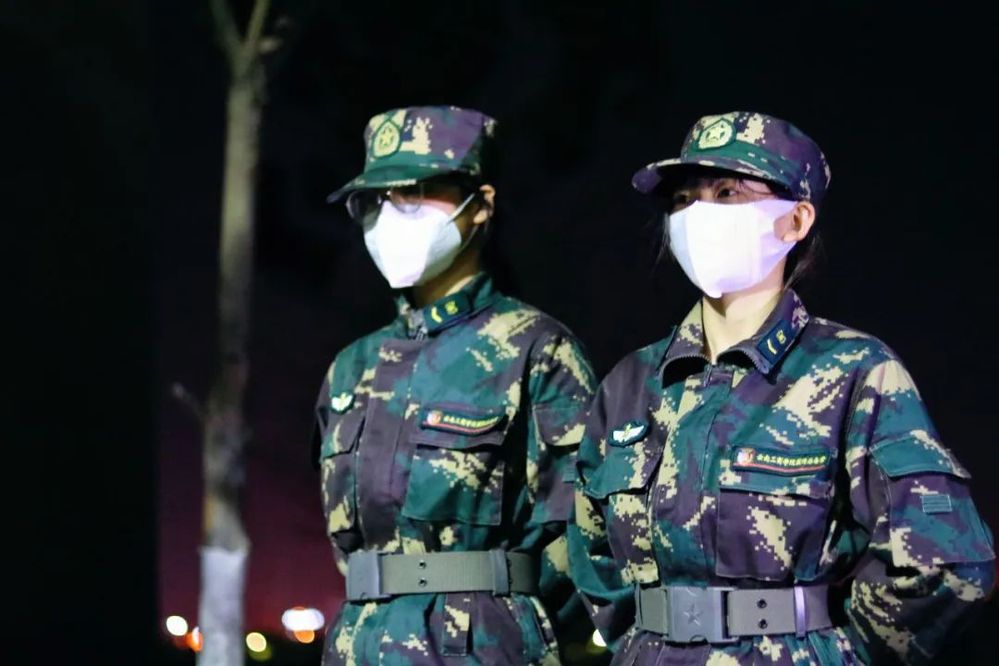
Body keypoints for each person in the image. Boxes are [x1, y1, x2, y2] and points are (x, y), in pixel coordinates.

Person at [568, 111, 995, 664]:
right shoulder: (632, 383)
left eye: (727, 193)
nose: (697, 215)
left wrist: (835, 652)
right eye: (683, 199)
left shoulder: (853, 371)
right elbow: (592, 553)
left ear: (795, 220)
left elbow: (946, 563)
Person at [314, 105, 596, 665]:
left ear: (481, 205)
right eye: (375, 200)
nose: (390, 215)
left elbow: (585, 534)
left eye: (415, 193)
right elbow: (346, 538)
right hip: (359, 648)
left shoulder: (536, 348)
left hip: (481, 648)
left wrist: (506, 622)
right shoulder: (351, 367)